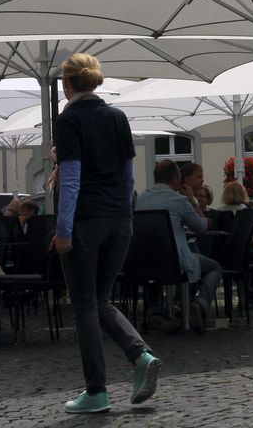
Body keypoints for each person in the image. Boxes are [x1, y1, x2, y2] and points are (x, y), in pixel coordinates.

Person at [52, 52, 160, 414]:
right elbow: (130, 177)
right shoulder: (117, 116)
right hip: (120, 218)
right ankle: (140, 356)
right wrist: (126, 216)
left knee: (84, 305)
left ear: (67, 84)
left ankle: (96, 391)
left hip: (86, 220)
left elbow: (71, 180)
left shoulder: (68, 120)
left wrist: (63, 230)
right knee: (101, 300)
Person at [135, 160, 223, 336]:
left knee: (155, 269)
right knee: (214, 268)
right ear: (176, 178)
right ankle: (200, 304)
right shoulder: (179, 200)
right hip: (174, 261)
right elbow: (200, 227)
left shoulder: (141, 198)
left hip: (145, 262)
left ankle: (156, 311)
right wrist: (193, 201)